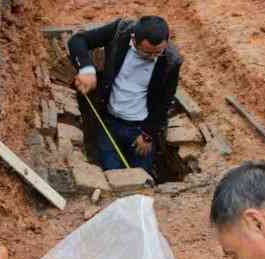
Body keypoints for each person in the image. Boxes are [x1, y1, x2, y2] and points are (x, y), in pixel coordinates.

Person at [68, 16, 182, 174]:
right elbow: (78, 40)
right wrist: (86, 69)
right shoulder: (120, 32)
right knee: (113, 175)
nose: (151, 57)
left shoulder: (171, 60)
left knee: (141, 178)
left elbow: (165, 102)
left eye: (158, 53)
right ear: (134, 39)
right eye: (146, 53)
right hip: (109, 123)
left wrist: (148, 134)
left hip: (140, 128)